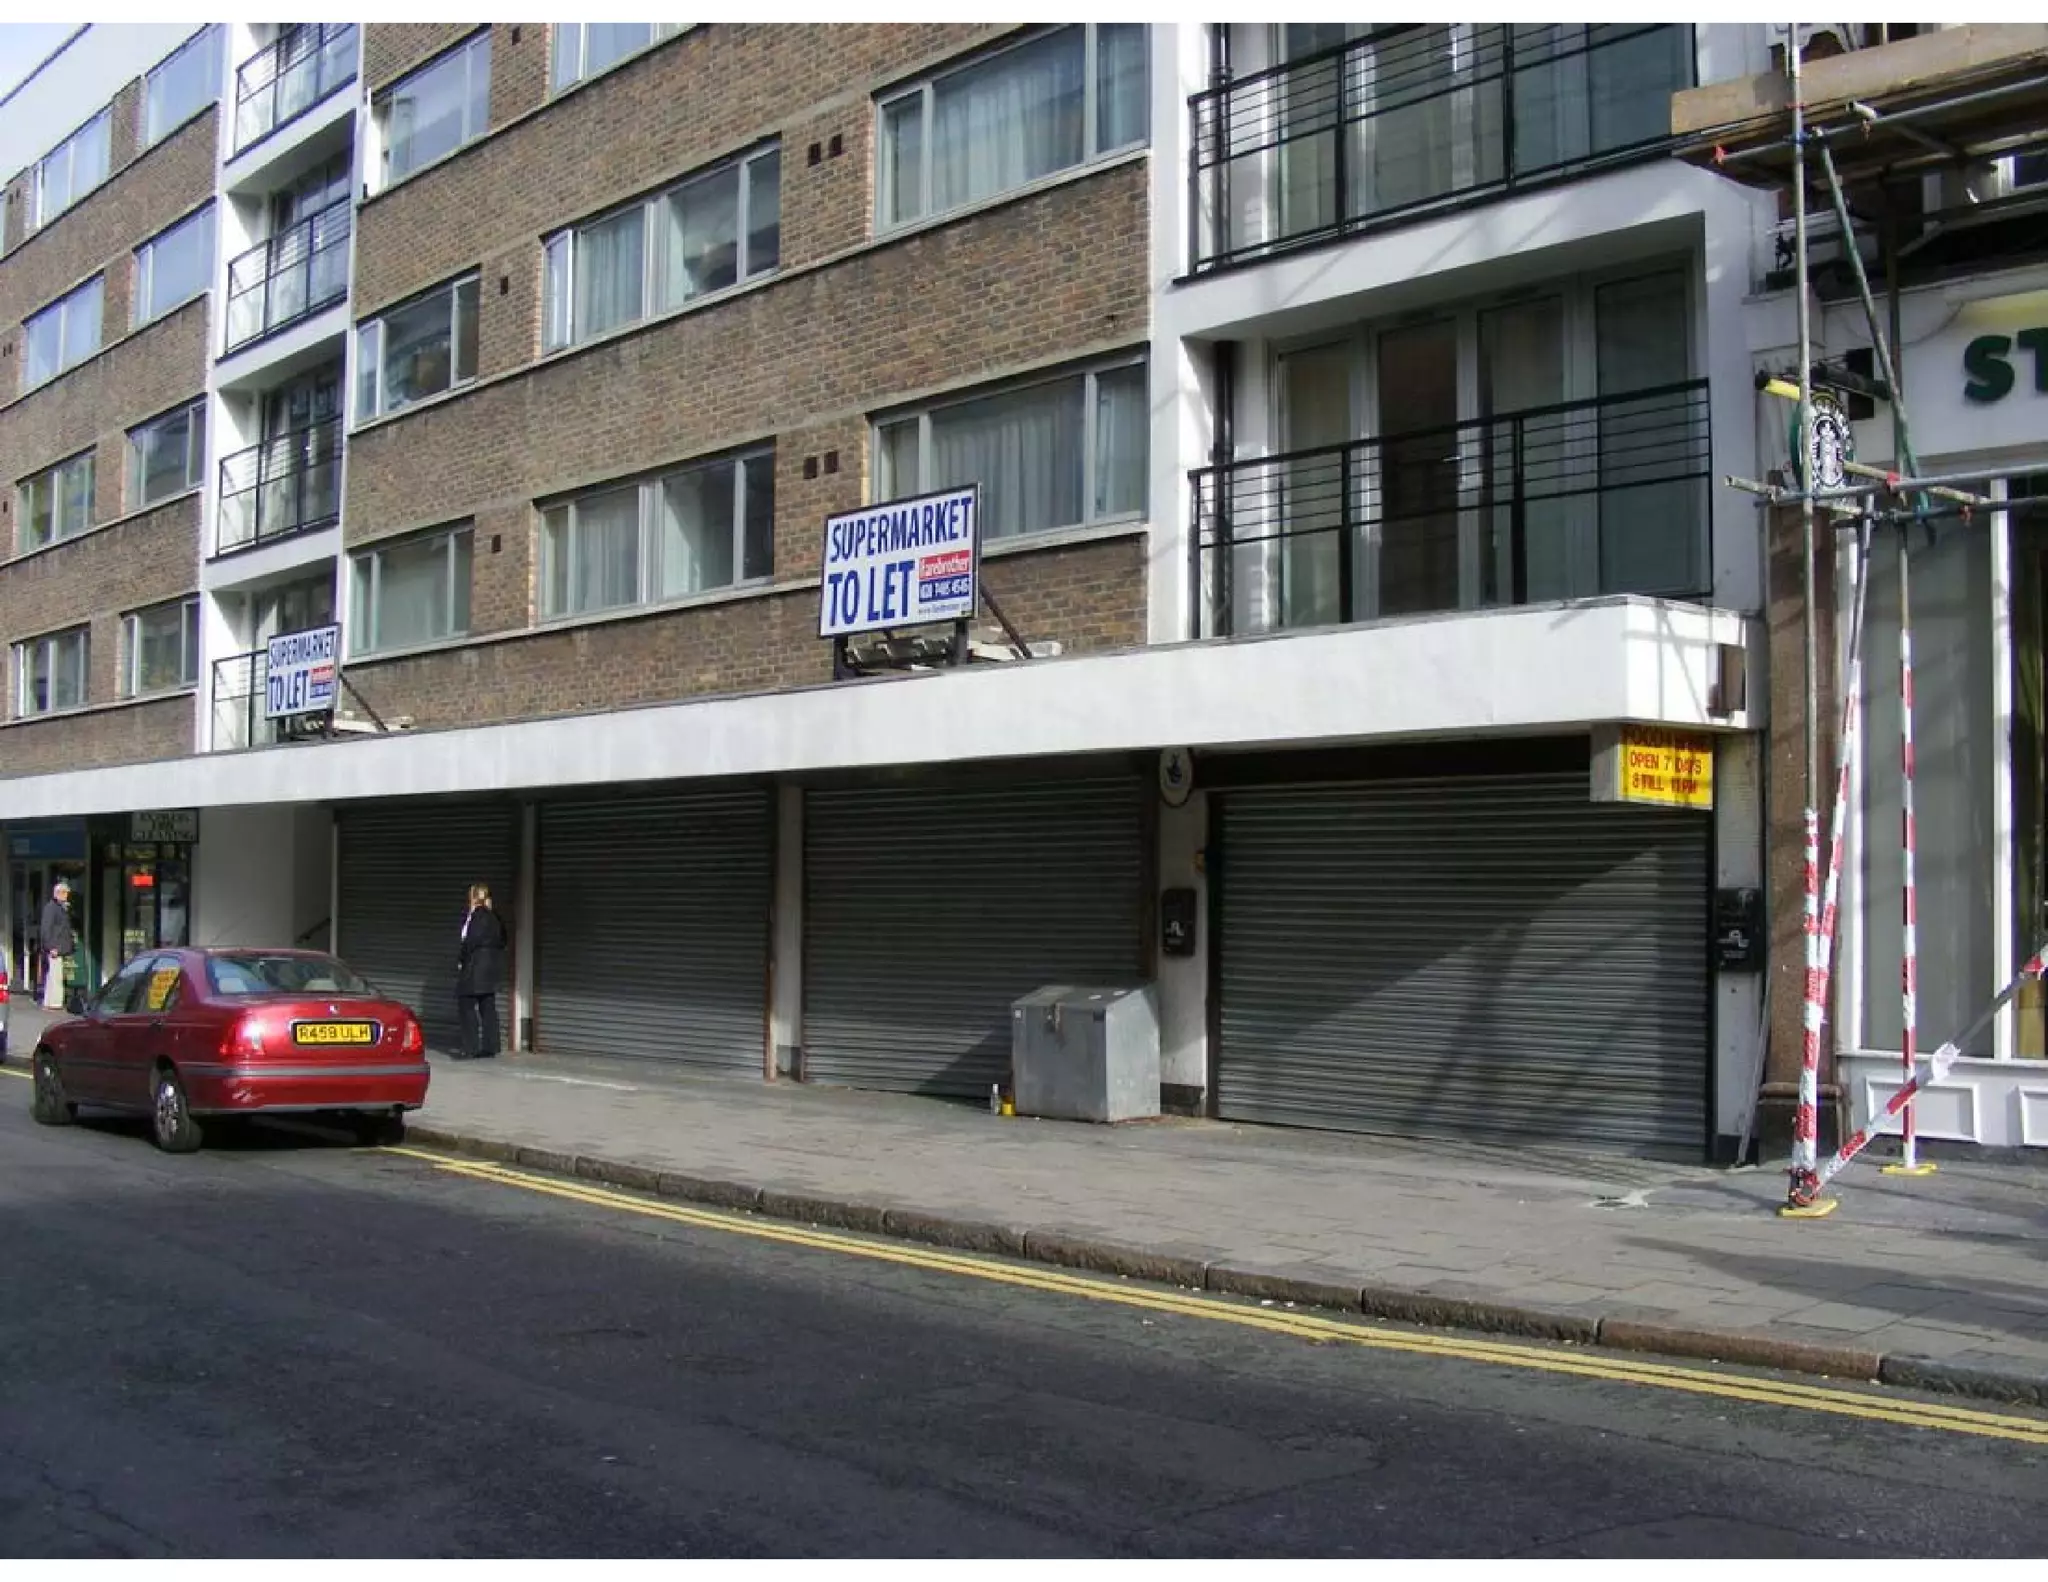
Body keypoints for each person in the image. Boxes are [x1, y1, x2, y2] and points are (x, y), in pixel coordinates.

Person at [455, 883, 507, 1060]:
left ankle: (471, 1047)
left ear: (474, 897)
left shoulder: (477, 916)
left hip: (475, 967)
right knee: (488, 1007)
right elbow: (503, 940)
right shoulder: (494, 917)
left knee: (466, 1005)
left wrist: (461, 960)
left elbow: (470, 941)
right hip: (490, 969)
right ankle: (491, 1046)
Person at [39, 880, 76, 1013]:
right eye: (65, 893)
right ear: (58, 893)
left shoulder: (61, 907)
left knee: (55, 975)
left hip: (60, 947)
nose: (67, 896)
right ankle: (54, 1003)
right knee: (56, 976)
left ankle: (50, 1001)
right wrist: (51, 947)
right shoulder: (51, 908)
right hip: (55, 948)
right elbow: (46, 929)